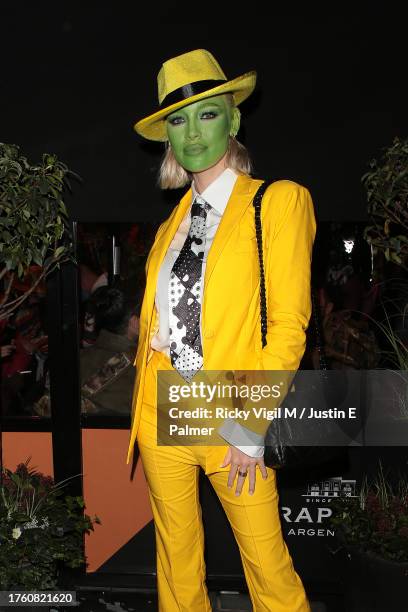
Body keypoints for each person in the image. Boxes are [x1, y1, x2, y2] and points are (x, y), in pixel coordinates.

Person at [126, 49, 316, 611]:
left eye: (207, 114)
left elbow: (289, 325)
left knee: (267, 567)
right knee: (177, 569)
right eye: (178, 120)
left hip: (231, 407)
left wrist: (249, 425)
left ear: (233, 120)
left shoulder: (278, 202)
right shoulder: (170, 226)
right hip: (163, 405)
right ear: (167, 135)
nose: (192, 133)